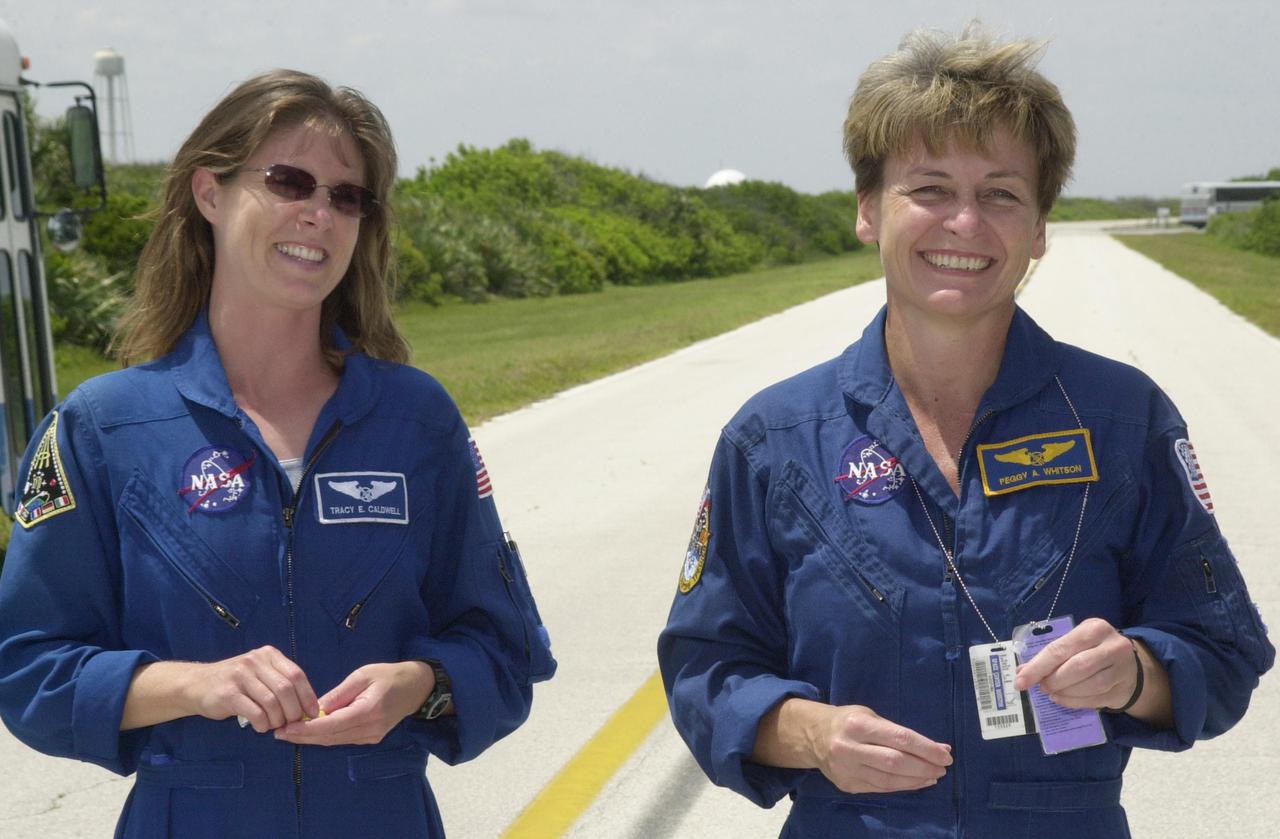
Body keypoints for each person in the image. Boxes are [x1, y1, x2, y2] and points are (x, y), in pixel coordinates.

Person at [657, 26, 1273, 837]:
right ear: (870, 210)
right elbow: (706, 667)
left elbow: (1222, 651)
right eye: (930, 188)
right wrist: (813, 734)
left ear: (1040, 230)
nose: (964, 223)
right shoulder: (772, 440)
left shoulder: (1125, 419)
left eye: (1002, 195)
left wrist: (1132, 673)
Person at [0, 69, 555, 838]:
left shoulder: (417, 422)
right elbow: (28, 670)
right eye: (289, 182)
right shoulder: (103, 430)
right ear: (209, 193)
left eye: (345, 196)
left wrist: (420, 685)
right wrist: (195, 685)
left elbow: (505, 648)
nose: (319, 214)